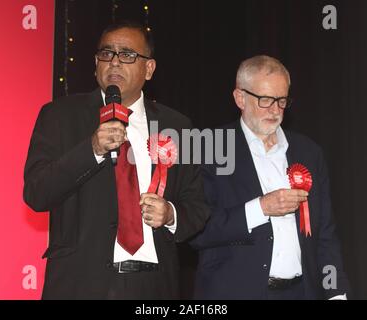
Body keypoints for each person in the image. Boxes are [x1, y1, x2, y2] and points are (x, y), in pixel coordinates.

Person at [23, 21, 209, 299]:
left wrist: (170, 214)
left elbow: (197, 206)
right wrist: (92, 149)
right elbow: (37, 193)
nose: (114, 62)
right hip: (80, 283)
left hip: (153, 286)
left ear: (149, 68)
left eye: (127, 55)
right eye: (106, 54)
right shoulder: (60, 116)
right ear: (95, 63)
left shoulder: (178, 126)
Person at [192, 55, 350, 300]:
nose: (275, 110)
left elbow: (325, 233)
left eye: (282, 100)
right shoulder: (210, 147)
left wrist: (337, 293)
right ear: (240, 98)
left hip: (301, 292)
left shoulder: (309, 152)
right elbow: (196, 231)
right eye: (265, 100)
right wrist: (260, 208)